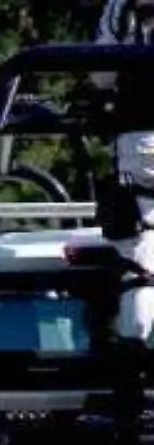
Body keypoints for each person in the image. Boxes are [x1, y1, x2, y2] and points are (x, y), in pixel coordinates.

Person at [93, 0, 154, 349]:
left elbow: (102, 73)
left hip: (142, 138)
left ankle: (136, 353)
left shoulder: (123, 5)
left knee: (141, 252)